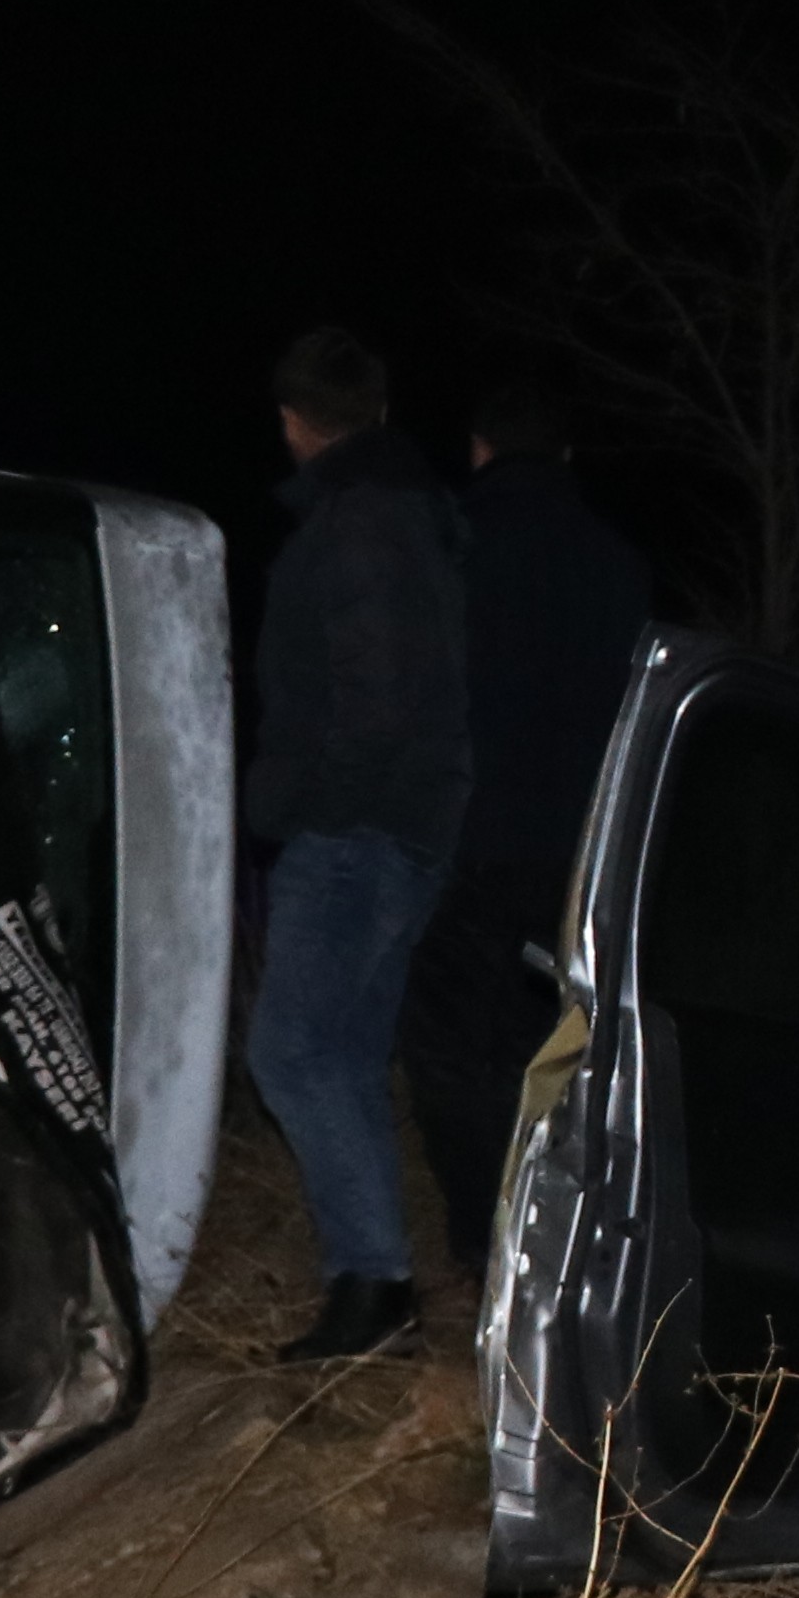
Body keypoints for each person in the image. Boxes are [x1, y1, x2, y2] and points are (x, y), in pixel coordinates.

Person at [239, 326, 465, 1363]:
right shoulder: (409, 514)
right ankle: (376, 1288)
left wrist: (302, 804)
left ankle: (372, 1279)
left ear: (295, 424)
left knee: (290, 1049)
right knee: (345, 1054)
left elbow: (373, 700)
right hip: (400, 823)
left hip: (359, 831)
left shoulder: (360, 527)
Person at [400, 374, 655, 1276]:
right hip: (581, 856)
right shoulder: (617, 563)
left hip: (468, 842)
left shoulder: (453, 547)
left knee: (450, 1050)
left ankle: (484, 1236)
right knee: (550, 1050)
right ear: (567, 456)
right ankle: (549, 1244)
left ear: (479, 449)